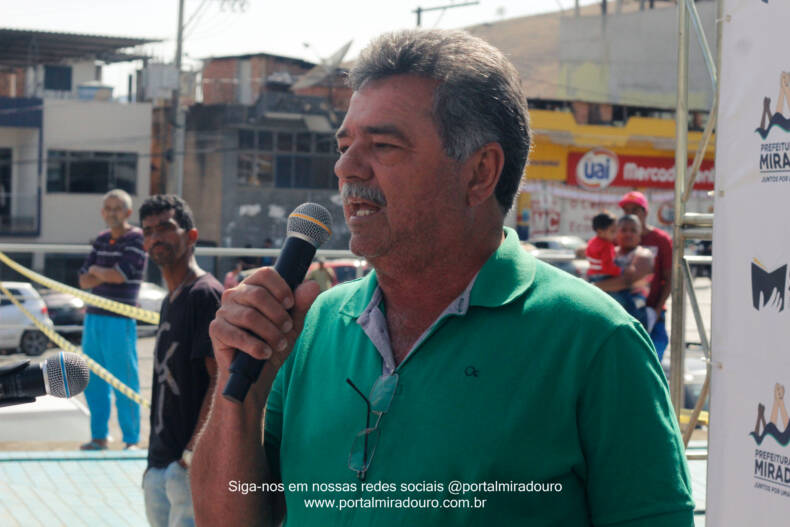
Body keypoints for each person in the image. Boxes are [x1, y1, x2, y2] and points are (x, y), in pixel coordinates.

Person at [192, 29, 694, 526]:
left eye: (383, 145)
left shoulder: (595, 340)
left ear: (479, 173)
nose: (346, 168)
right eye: (344, 145)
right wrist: (243, 394)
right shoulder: (313, 324)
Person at [138, 195, 222, 527]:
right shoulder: (169, 301)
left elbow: (219, 378)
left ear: (192, 236)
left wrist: (191, 453)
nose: (155, 237)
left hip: (185, 468)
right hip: (159, 464)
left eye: (165, 227)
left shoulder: (205, 295)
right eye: (148, 231)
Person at [78, 189, 145, 450]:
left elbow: (120, 275)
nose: (112, 213)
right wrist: (101, 273)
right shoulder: (101, 239)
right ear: (102, 212)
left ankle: (131, 440)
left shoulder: (136, 238)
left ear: (128, 212)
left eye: (117, 208)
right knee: (93, 382)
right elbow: (83, 280)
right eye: (108, 208)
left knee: (124, 381)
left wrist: (97, 271)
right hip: (93, 317)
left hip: (120, 320)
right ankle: (99, 437)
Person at [618, 191, 672, 359]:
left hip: (652, 311)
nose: (630, 213)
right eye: (626, 210)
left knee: (652, 360)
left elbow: (669, 279)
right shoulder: (617, 238)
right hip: (623, 311)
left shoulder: (661, 239)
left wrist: (656, 311)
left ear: (645, 212)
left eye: (635, 209)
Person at [596, 215, 655, 331]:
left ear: (639, 234)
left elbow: (625, 282)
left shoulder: (644, 254)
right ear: (616, 232)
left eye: (633, 230)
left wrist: (592, 286)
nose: (628, 234)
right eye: (623, 230)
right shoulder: (610, 252)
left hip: (634, 313)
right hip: (610, 312)